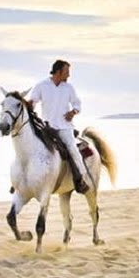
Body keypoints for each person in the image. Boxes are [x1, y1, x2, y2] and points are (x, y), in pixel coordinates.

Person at [28, 59, 89, 194]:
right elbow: (33, 101)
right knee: (32, 147)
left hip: (65, 127)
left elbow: (77, 104)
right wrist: (29, 104)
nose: (68, 75)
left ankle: (81, 178)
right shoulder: (42, 85)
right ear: (58, 72)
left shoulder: (69, 88)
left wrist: (73, 112)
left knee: (72, 149)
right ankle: (24, 179)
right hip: (47, 127)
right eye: (66, 71)